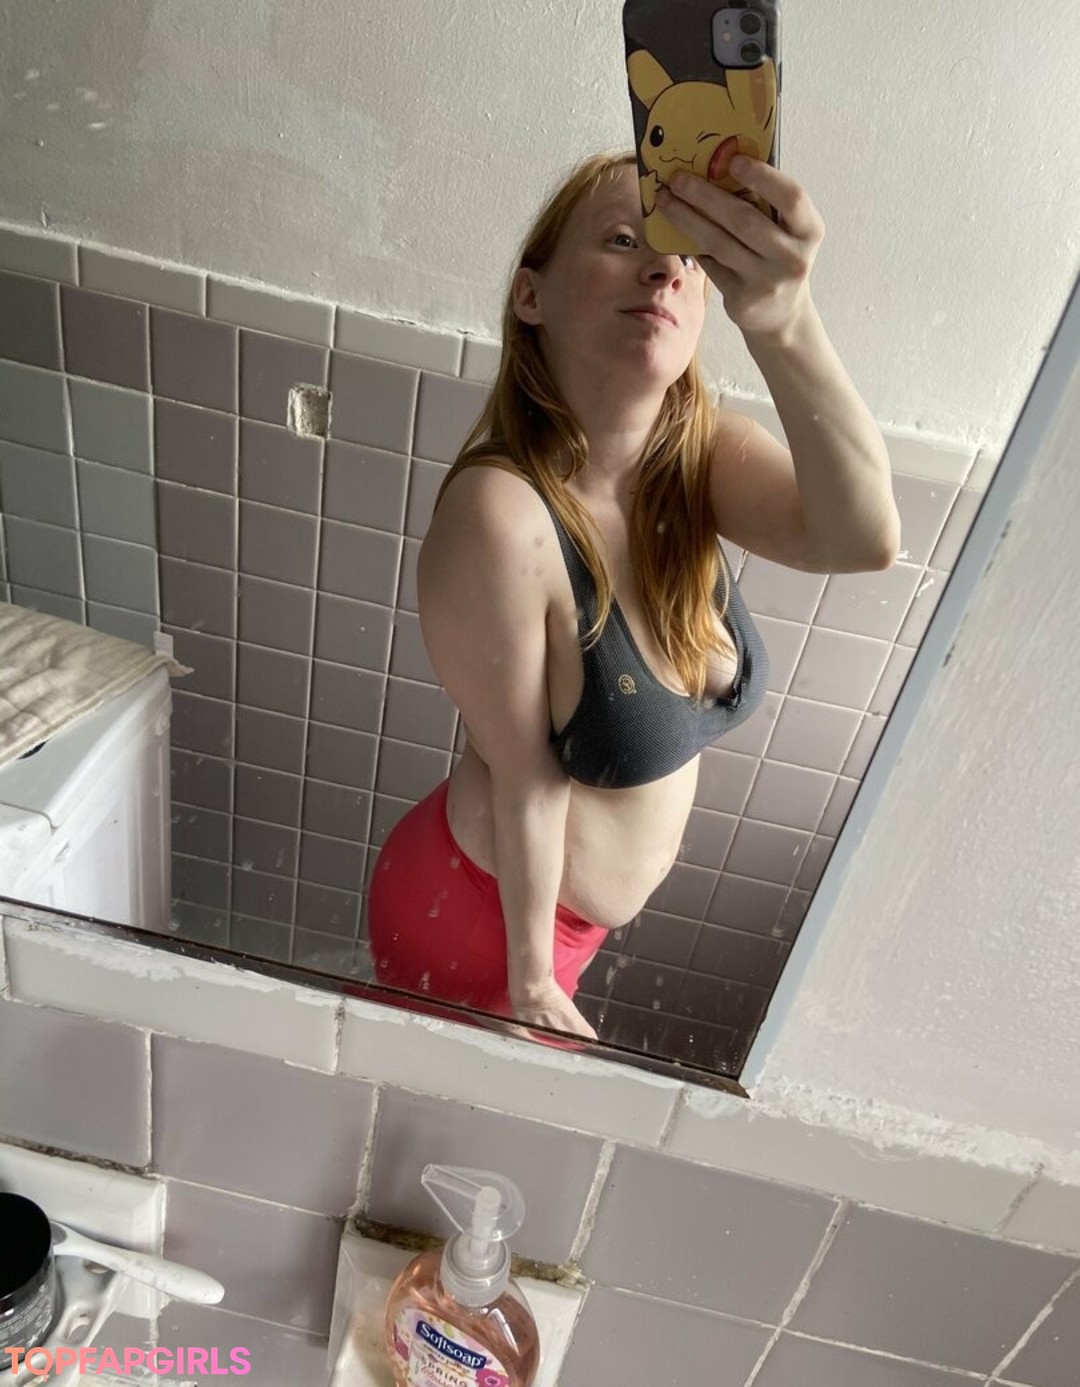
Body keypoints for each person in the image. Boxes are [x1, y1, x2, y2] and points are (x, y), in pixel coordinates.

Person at [367, 149, 900, 1038]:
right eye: (624, 240)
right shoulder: (504, 516)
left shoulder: (700, 460)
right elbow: (528, 776)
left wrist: (784, 319)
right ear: (530, 295)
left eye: (690, 256)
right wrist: (533, 980)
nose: (665, 269)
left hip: (561, 927)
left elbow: (864, 538)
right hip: (479, 916)